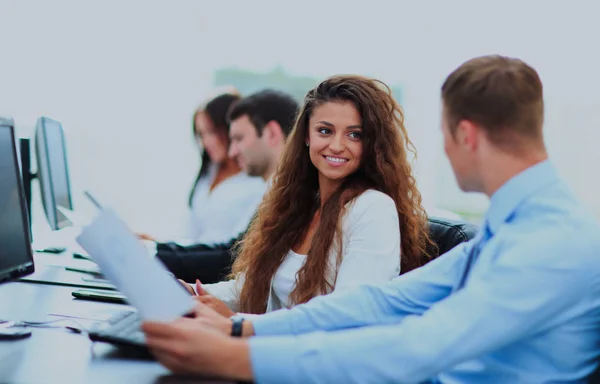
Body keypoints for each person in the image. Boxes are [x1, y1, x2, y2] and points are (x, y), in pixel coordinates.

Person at [143, 55, 600, 383]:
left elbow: (416, 349)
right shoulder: (516, 226)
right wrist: (238, 327)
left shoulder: (550, 243)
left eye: (442, 133)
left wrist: (235, 358)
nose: (442, 148)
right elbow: (381, 303)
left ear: (465, 134)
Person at [182, 75, 432, 317]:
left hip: (310, 356)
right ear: (306, 135)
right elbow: (247, 288)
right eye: (325, 131)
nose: (336, 145)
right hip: (265, 349)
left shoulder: (373, 208)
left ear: (372, 144)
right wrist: (192, 292)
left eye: (354, 134)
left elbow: (346, 315)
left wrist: (237, 323)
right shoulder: (297, 203)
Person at [155, 89, 300, 283]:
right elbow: (234, 251)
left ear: (272, 133)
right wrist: (156, 249)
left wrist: (154, 256)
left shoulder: (294, 197)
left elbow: (232, 259)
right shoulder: (275, 191)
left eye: (239, 138)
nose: (232, 152)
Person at [183, 90, 266, 244]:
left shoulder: (256, 180)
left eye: (212, 131)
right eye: (201, 134)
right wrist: (161, 246)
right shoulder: (208, 171)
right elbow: (191, 233)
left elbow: (235, 247)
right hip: (185, 260)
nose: (206, 142)